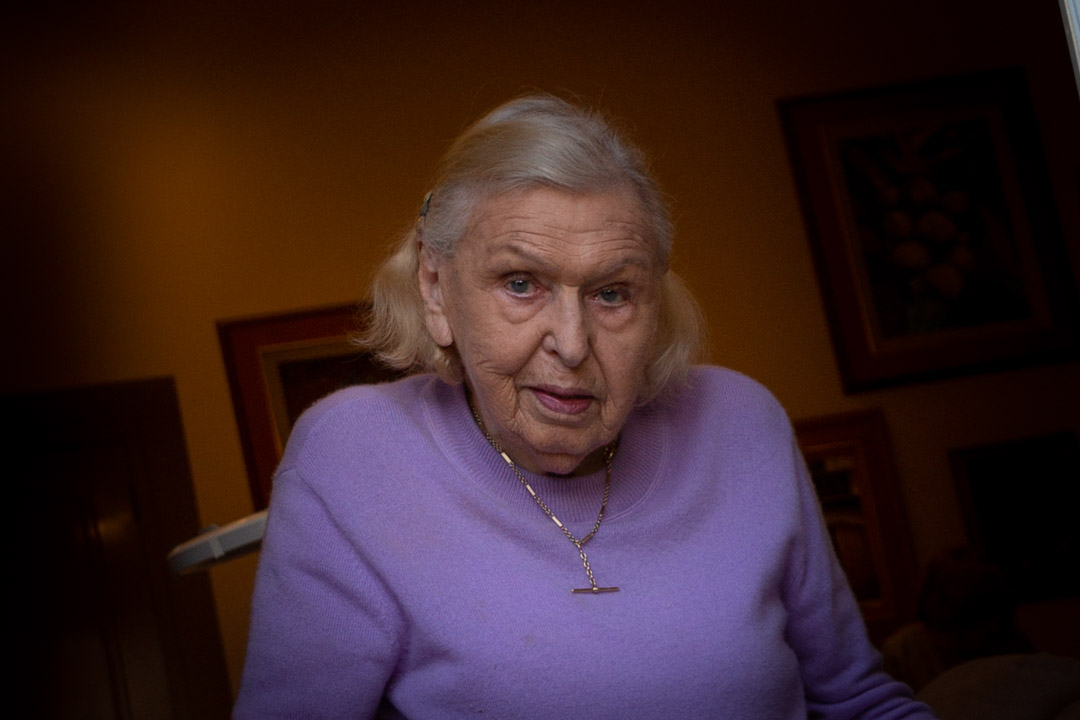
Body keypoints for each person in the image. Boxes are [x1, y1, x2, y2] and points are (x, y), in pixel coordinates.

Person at [234, 94, 936, 718]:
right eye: (520, 283)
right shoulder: (353, 455)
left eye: (612, 293)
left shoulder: (742, 423)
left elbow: (857, 700)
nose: (571, 345)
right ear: (436, 287)